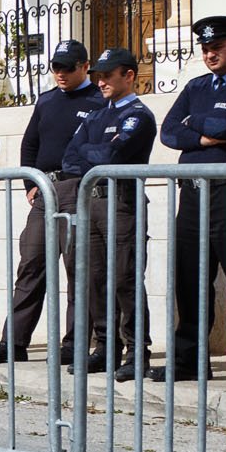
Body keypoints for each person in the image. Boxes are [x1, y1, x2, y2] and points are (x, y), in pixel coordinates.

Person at [0, 40, 99, 367]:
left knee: (79, 271)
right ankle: (13, 342)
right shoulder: (46, 101)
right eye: (56, 67)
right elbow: (29, 144)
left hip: (80, 190)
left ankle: (73, 344)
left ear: (84, 66)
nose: (60, 73)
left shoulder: (98, 99)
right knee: (30, 266)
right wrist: (30, 184)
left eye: (68, 67)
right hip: (45, 190)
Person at [159, 13, 226, 382]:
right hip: (194, 192)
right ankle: (189, 361)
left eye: (217, 47)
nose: (210, 54)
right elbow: (168, 131)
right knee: (190, 278)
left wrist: (193, 123)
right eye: (205, 48)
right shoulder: (197, 87)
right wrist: (202, 133)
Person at [65, 47, 158, 380]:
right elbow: (70, 159)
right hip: (93, 200)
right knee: (95, 277)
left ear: (128, 75)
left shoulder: (137, 115)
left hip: (122, 201)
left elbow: (114, 156)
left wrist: (96, 154)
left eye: (108, 75)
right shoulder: (95, 115)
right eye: (98, 76)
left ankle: (136, 351)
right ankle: (105, 347)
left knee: (125, 278)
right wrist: (98, 154)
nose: (101, 81)